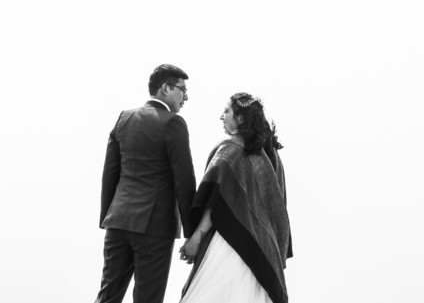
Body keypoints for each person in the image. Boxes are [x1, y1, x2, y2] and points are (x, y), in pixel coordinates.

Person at [94, 64, 198, 303]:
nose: (185, 97)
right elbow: (184, 181)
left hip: (117, 224)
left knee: (107, 297)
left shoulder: (124, 118)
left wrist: (108, 218)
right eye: (183, 90)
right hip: (155, 228)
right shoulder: (173, 123)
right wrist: (191, 233)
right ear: (166, 88)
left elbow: (110, 174)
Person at [178, 93, 292, 303]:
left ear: (240, 118)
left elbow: (215, 202)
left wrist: (195, 239)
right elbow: (277, 208)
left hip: (231, 243)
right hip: (262, 251)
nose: (221, 116)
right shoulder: (270, 155)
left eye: (226, 111)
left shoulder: (230, 150)